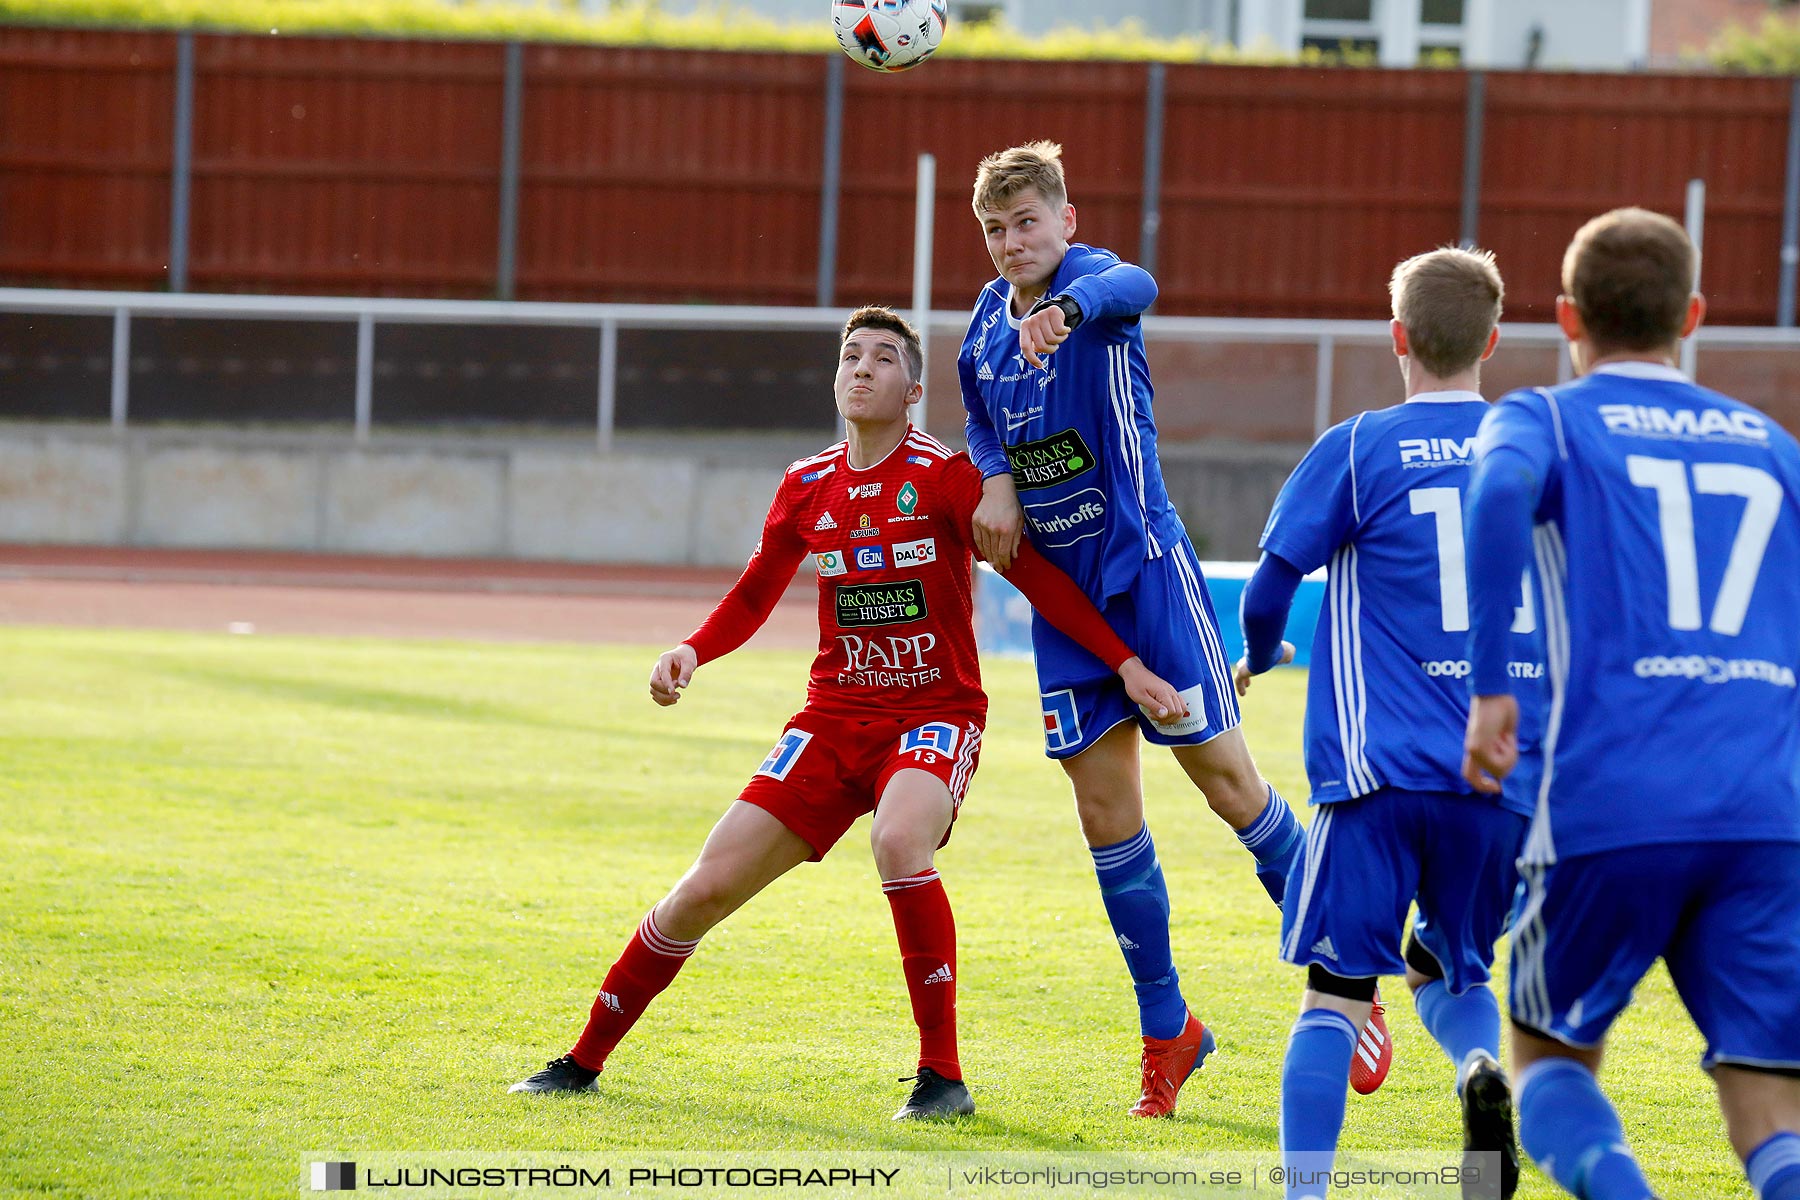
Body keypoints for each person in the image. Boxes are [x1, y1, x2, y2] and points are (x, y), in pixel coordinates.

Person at [510, 306, 1187, 1120]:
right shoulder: (806, 483)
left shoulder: (944, 475)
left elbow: (1036, 577)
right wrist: (694, 648)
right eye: (850, 357)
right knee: (702, 888)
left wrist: (1126, 663)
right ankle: (581, 1062)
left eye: (882, 359)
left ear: (914, 390)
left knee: (899, 837)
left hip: (935, 715)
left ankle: (943, 1080)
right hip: (829, 723)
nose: (861, 368)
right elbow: (757, 590)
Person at [957, 139, 1308, 1117]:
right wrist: (993, 479)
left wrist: (1068, 307)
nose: (1012, 242)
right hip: (1068, 609)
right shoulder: (984, 327)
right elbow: (982, 419)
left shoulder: (1095, 286)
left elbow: (1136, 283)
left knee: (1229, 787)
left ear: (1065, 220)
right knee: (1106, 817)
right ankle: (1169, 1032)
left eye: (1027, 221)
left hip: (1147, 575)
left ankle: (1348, 969)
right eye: (994, 229)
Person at [1462, 207, 1800, 1200]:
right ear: (1692, 314)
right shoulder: (1773, 447)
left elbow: (1494, 497)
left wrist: (1489, 689)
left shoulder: (1547, 416)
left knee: (1550, 1058)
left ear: (1568, 317)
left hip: (1613, 801)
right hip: (1767, 815)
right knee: (1770, 1102)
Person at [1236, 247, 1537, 1199]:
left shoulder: (1361, 447)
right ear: (1492, 341)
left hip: (1377, 777)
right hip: (1500, 780)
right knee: (1455, 970)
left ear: (1397, 338)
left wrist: (1265, 653)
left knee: (1334, 996)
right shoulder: (1532, 449)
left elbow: (1272, 584)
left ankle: (1306, 1194)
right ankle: (1479, 1073)